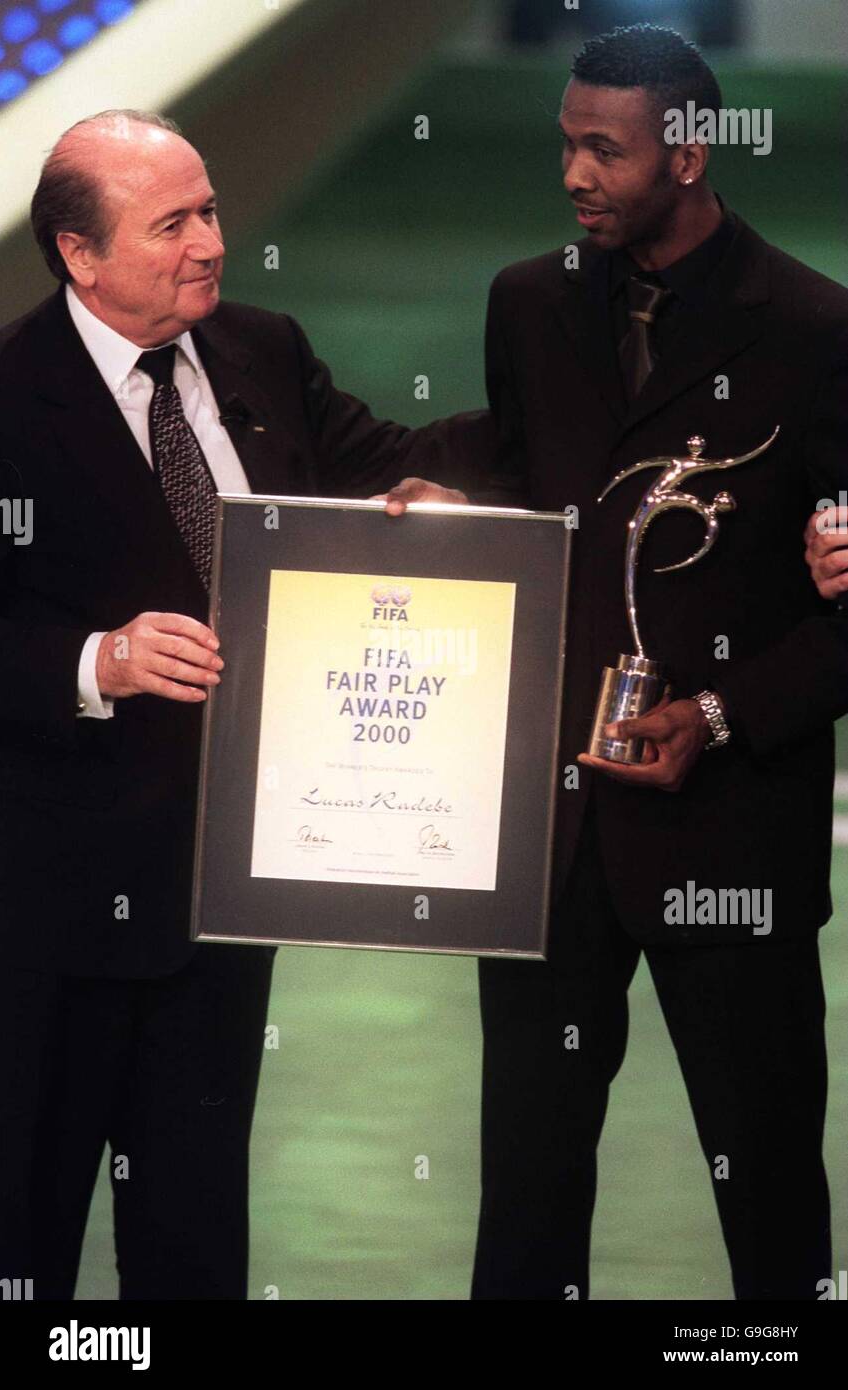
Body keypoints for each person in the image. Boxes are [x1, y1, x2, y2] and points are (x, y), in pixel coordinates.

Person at [0, 109, 465, 1301]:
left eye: (209, 210)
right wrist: (93, 660)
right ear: (79, 253)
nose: (212, 242)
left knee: (195, 1233)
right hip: (48, 913)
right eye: (173, 224)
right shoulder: (9, 396)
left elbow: (384, 463)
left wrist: (449, 489)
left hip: (220, 901)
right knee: (26, 1229)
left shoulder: (261, 351)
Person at [469, 25, 848, 1300]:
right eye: (566, 142)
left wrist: (725, 713)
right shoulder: (526, 304)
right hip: (548, 852)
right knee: (524, 1196)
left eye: (603, 150)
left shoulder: (815, 329)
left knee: (771, 1204)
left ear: (689, 154)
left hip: (732, 845)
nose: (574, 173)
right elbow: (527, 489)